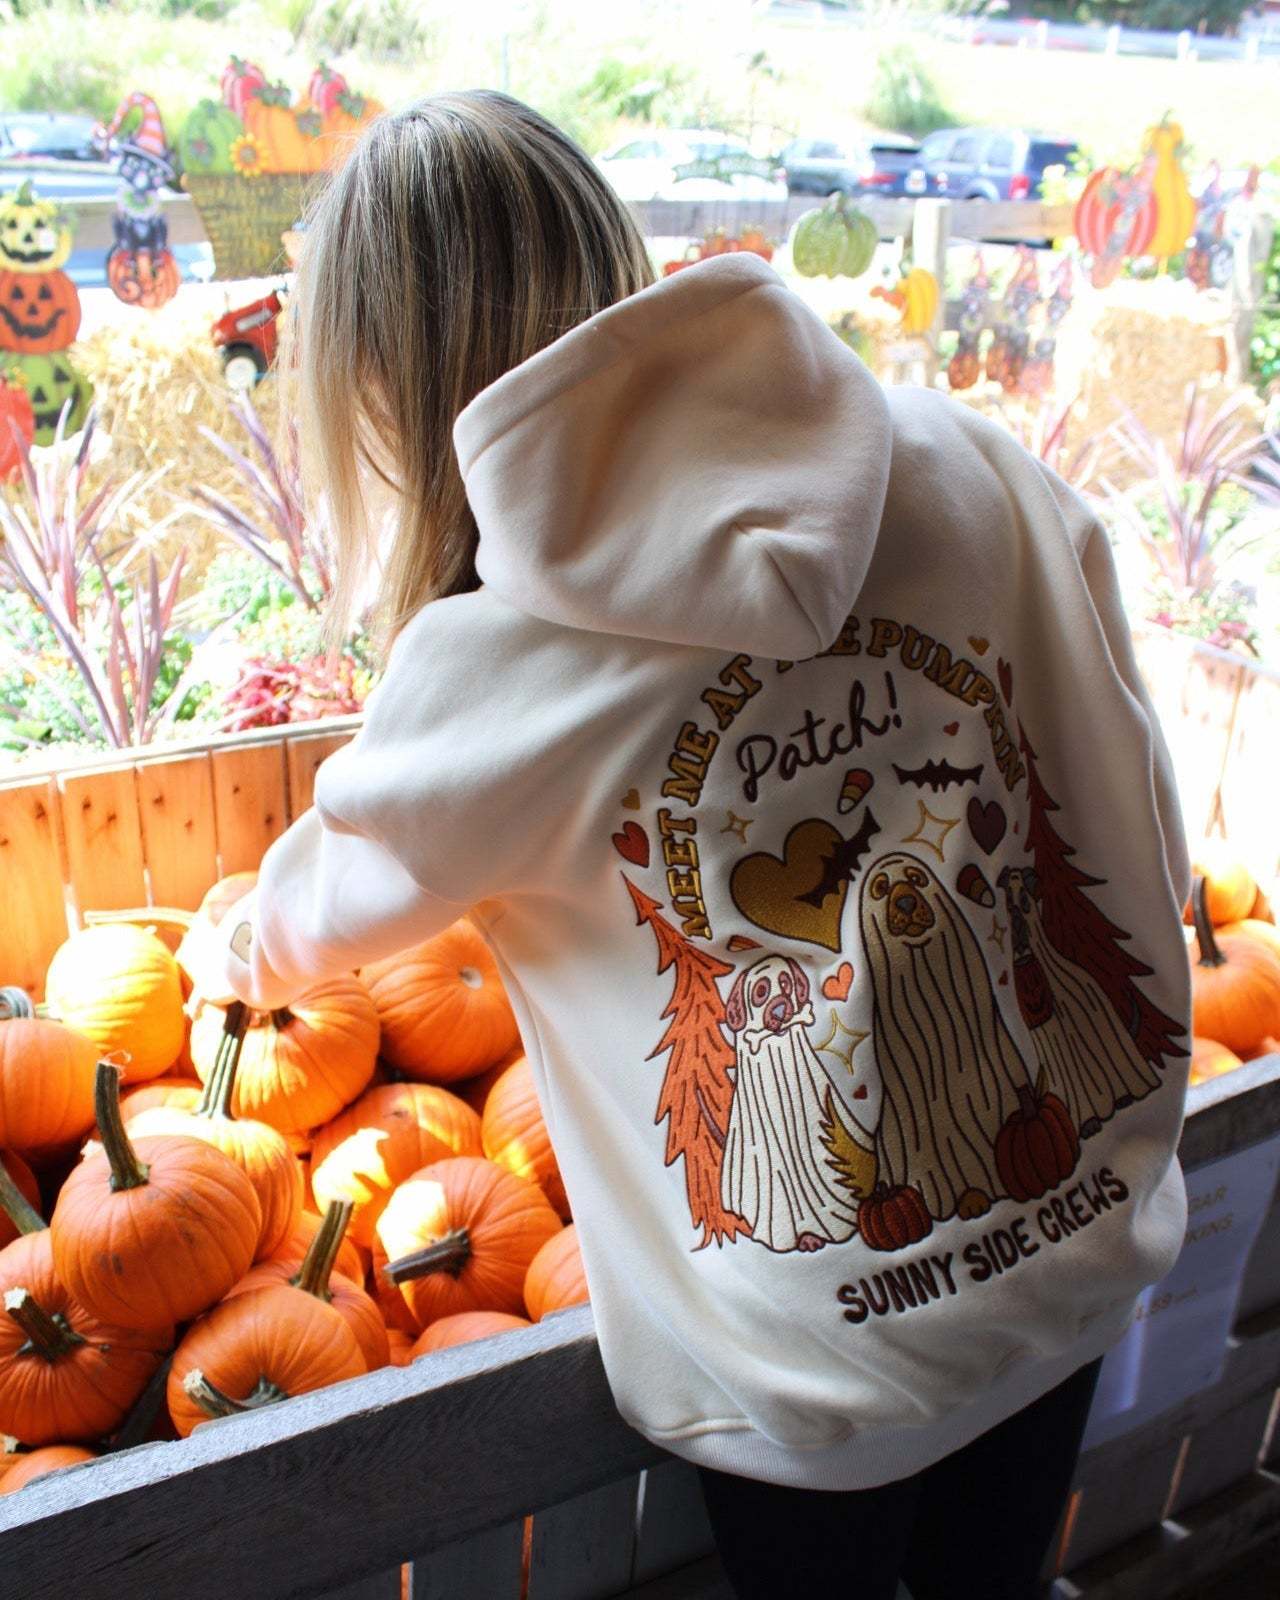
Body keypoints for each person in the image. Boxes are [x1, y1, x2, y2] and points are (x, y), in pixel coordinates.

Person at [183, 91, 1193, 1600]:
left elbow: (312, 921)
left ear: (384, 391)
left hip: (809, 1371)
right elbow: (1135, 780)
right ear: (608, 254)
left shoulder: (497, 674)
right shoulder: (961, 460)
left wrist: (224, 952)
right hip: (1069, 1253)